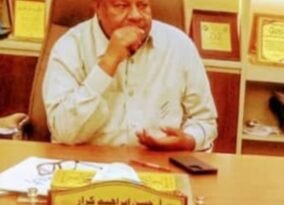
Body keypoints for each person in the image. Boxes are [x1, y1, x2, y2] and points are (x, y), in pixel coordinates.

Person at [42, 0, 218, 151]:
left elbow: (205, 120)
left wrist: (189, 141)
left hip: (159, 167)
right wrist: (108, 63)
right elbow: (63, 131)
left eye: (142, 5)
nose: (136, 15)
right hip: (88, 166)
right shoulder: (71, 46)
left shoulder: (179, 45)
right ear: (97, 6)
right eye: (121, 5)